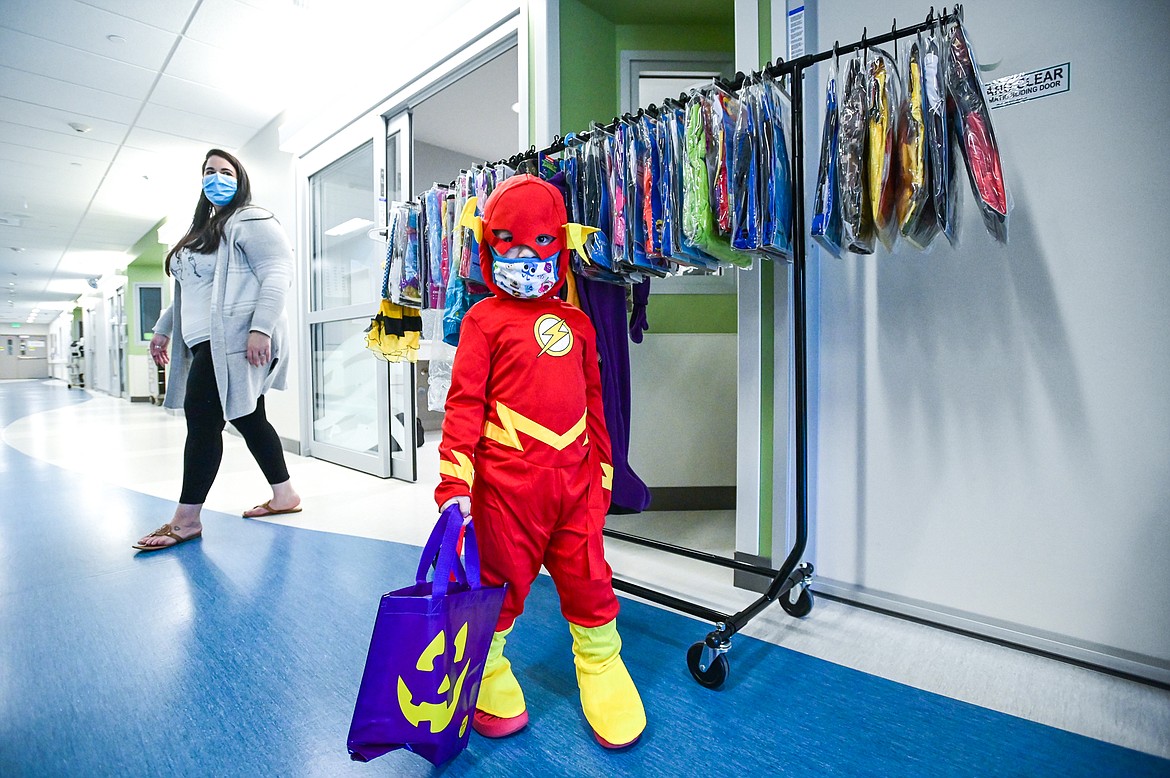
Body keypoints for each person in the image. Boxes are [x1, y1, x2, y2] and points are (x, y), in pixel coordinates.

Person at [434, 174, 646, 749]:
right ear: (487, 245)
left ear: (561, 244)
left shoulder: (578, 323)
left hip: (576, 483)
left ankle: (601, 665)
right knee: (499, 580)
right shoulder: (481, 321)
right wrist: (455, 483)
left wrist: (605, 468)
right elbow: (464, 406)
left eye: (539, 245)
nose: (524, 258)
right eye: (507, 244)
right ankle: (486, 666)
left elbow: (597, 401)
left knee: (589, 577)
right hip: (506, 487)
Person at [134, 149, 300, 551]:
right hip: (205, 339)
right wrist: (162, 329)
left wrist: (260, 328)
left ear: (240, 179)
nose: (217, 177)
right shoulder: (203, 230)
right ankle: (286, 496)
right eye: (209, 171)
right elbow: (191, 292)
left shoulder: (251, 219)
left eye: (226, 171)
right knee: (249, 418)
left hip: (235, 337)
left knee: (203, 418)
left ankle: (186, 520)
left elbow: (278, 272)